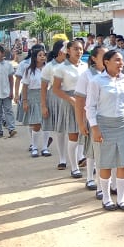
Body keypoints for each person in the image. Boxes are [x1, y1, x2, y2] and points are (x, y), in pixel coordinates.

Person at [87, 49, 124, 212]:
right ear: (106, 62)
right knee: (106, 162)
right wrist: (95, 128)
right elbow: (90, 107)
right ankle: (107, 198)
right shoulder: (97, 81)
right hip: (104, 124)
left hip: (123, 124)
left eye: (121, 60)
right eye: (116, 60)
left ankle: (121, 199)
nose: (120, 63)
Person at [52, 40, 89, 179]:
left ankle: (86, 160)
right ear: (68, 50)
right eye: (75, 49)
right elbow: (56, 89)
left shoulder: (85, 66)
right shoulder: (61, 68)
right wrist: (71, 100)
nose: (79, 51)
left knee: (85, 134)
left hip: (85, 102)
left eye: (80, 49)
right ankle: (74, 167)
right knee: (73, 135)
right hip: (70, 102)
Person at [75, 46, 107, 192]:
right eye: (103, 56)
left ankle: (109, 182)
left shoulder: (111, 73)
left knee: (106, 150)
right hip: (92, 117)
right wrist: (81, 122)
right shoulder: (87, 75)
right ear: (94, 58)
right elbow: (80, 100)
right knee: (92, 149)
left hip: (108, 117)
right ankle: (89, 178)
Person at [41, 40, 68, 165]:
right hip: (56, 98)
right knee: (60, 130)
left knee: (76, 130)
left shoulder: (77, 65)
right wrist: (44, 105)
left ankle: (80, 157)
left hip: (72, 96)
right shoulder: (50, 66)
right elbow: (44, 87)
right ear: (60, 51)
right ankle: (62, 158)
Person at [21, 47, 51, 157]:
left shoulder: (48, 69)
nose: (42, 57)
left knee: (46, 123)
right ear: (34, 57)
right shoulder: (29, 70)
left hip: (46, 97)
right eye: (40, 55)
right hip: (33, 97)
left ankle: (45, 147)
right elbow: (25, 86)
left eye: (44, 55)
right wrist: (24, 101)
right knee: (36, 124)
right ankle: (34, 146)